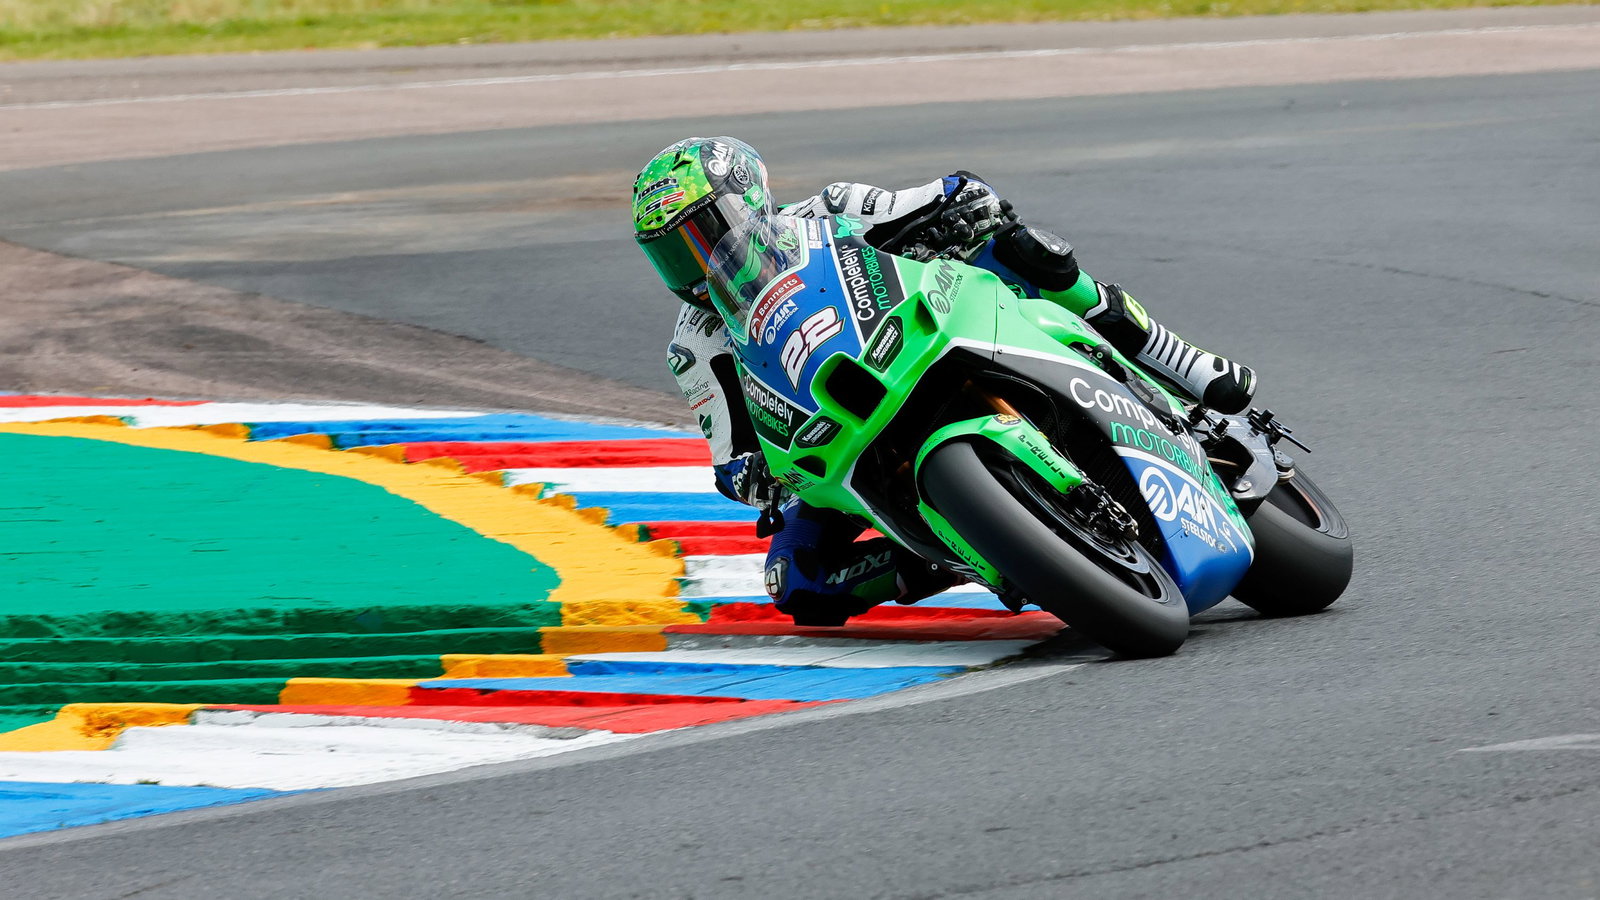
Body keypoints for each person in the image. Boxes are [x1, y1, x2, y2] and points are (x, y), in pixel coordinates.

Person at [633, 136, 1256, 626]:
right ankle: (972, 553)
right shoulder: (694, 344)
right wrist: (748, 476)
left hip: (927, 328)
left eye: (703, 230)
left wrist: (959, 203)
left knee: (1021, 246)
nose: (695, 259)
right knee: (798, 582)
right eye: (671, 252)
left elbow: (936, 194)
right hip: (832, 427)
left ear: (749, 199)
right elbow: (728, 451)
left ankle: (1180, 362)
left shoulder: (829, 209)